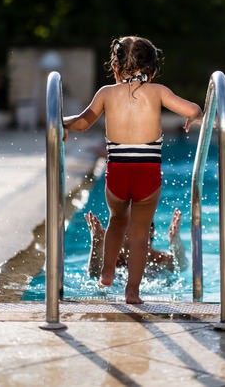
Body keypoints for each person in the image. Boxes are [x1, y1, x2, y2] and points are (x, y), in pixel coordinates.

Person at [63, 35, 203, 304]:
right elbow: (193, 108)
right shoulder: (158, 91)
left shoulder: (105, 93)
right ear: (152, 71)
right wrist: (192, 115)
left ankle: (106, 273)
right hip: (147, 175)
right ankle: (132, 292)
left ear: (115, 69)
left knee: (117, 222)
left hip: (117, 173)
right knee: (139, 236)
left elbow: (81, 123)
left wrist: (61, 121)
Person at [85, 207, 188, 279]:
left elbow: (182, 266)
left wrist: (176, 243)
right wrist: (96, 245)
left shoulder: (160, 259)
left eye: (137, 229)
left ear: (150, 231)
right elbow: (94, 274)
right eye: (126, 231)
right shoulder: (115, 262)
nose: (132, 236)